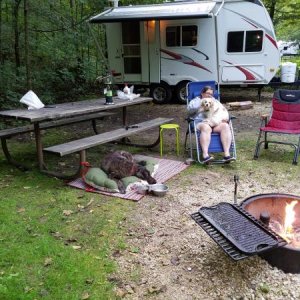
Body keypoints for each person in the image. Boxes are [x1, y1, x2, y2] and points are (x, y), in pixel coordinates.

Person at [187, 86, 235, 164]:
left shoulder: (215, 101)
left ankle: (227, 155)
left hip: (215, 123)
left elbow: (222, 110)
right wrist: (202, 103)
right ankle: (205, 155)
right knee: (206, 128)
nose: (209, 95)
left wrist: (225, 117)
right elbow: (189, 111)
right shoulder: (195, 101)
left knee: (225, 126)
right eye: (208, 93)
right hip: (200, 122)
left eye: (211, 94)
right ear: (202, 93)